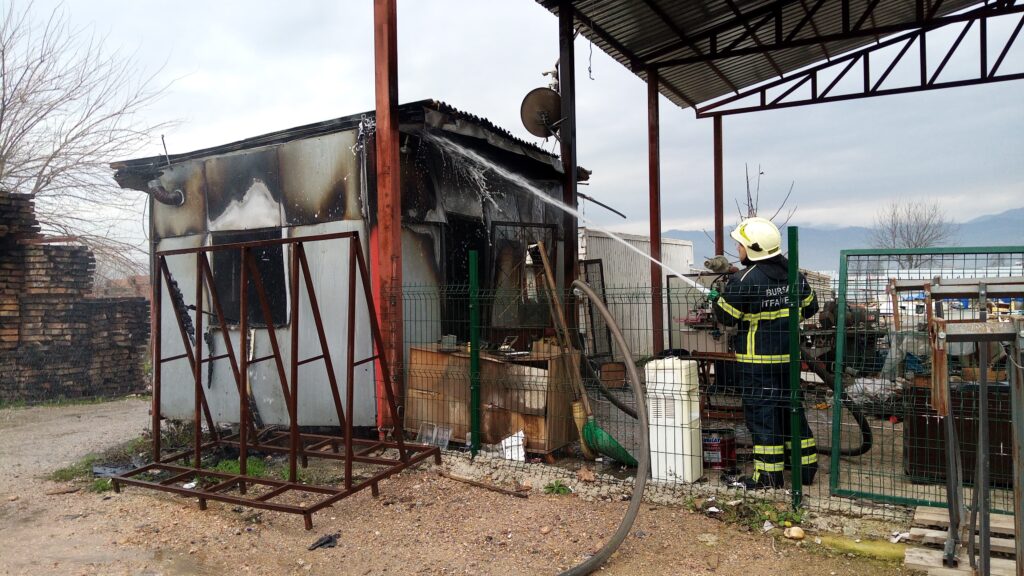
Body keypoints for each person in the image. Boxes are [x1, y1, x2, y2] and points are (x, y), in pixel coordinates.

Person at [710, 217, 819, 490]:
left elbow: (727, 317)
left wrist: (718, 300)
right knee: (791, 412)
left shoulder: (746, 279)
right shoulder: (794, 273)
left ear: (754, 248)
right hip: (789, 362)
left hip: (758, 364)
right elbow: (810, 308)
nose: (738, 249)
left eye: (741, 245)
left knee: (763, 417)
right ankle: (805, 469)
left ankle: (768, 477)